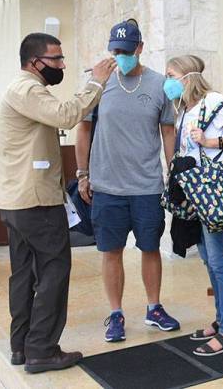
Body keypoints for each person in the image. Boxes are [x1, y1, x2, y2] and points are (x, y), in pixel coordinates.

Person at [0, 33, 116, 372]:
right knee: (53, 270)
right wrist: (96, 82)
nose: (62, 65)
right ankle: (42, 350)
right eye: (56, 59)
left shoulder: (23, 90)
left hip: (18, 200)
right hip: (35, 201)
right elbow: (65, 115)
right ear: (34, 62)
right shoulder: (27, 89)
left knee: (24, 274)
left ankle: (21, 346)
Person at [75, 20, 179, 343]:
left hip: (147, 186)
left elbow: (167, 130)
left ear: (140, 48)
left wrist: (173, 170)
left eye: (125, 50)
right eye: (115, 50)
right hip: (107, 186)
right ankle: (116, 313)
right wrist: (82, 174)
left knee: (150, 248)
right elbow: (83, 130)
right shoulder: (98, 83)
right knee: (111, 252)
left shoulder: (159, 84)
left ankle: (154, 307)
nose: (119, 56)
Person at [163, 54, 223, 356]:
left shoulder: (214, 102)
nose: (168, 81)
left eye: (171, 74)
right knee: (207, 258)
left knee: (220, 260)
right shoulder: (183, 109)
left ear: (188, 77)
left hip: (216, 192)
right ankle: (221, 319)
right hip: (197, 194)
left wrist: (211, 143)